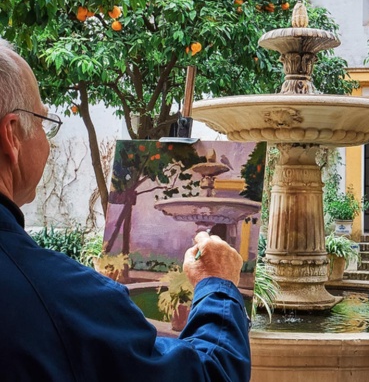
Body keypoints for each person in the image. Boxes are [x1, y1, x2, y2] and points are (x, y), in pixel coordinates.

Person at [0, 39, 251, 381]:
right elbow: (210, 374)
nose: (47, 139)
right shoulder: (55, 298)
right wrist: (218, 286)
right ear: (11, 135)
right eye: (44, 120)